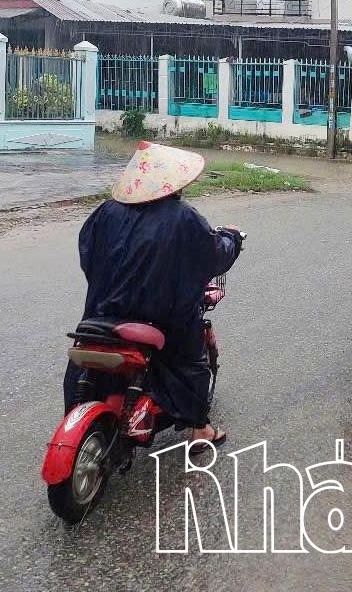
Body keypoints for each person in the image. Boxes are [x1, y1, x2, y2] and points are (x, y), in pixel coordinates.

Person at [65, 142, 242, 444]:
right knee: (192, 359)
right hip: (161, 319)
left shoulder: (105, 212)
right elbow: (212, 258)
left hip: (103, 313)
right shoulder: (182, 217)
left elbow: (88, 259)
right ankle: (200, 430)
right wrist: (233, 238)